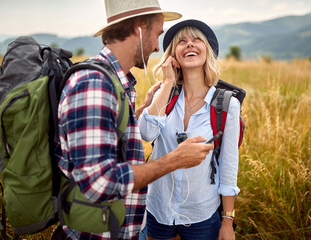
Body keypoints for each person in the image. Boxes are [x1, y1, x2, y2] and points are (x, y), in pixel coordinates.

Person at [54, 1, 215, 239]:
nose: (159, 48)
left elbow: (113, 135)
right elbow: (100, 182)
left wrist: (140, 110)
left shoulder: (116, 81)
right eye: (158, 34)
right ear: (140, 28)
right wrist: (174, 160)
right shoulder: (94, 85)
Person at [138, 19, 240, 240]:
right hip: (157, 209)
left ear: (208, 50)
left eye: (197, 40)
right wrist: (167, 83)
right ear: (173, 55)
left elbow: (228, 166)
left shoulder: (226, 104)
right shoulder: (165, 94)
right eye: (182, 42)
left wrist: (227, 223)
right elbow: (146, 133)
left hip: (201, 212)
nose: (190, 45)